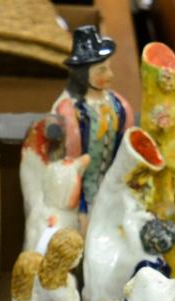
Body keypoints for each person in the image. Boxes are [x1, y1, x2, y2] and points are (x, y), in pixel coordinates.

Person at [54, 25, 133, 216]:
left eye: (108, 68)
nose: (110, 76)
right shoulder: (70, 110)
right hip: (80, 198)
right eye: (101, 71)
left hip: (112, 193)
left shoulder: (119, 106)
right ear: (83, 73)